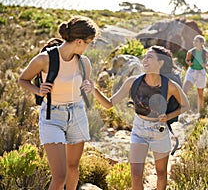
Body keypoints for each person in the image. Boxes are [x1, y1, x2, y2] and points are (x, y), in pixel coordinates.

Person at [18, 15, 99, 190]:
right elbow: (23, 80)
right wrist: (38, 90)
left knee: (72, 168)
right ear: (78, 41)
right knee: (60, 175)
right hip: (52, 116)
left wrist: (88, 85)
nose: (89, 46)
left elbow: (85, 83)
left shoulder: (84, 62)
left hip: (77, 113)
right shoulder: (44, 59)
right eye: (89, 42)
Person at [93, 45, 189, 190]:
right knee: (136, 175)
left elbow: (185, 105)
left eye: (149, 57)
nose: (144, 60)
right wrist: (93, 89)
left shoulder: (170, 85)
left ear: (161, 62)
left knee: (161, 173)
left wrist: (168, 116)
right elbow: (109, 104)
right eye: (144, 57)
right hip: (139, 130)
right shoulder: (133, 82)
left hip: (160, 131)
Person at [182, 35, 208, 118]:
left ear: (202, 43)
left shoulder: (206, 53)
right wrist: (188, 63)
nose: (194, 43)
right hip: (191, 72)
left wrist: (206, 64)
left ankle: (199, 113)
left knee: (200, 94)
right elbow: (187, 60)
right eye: (194, 41)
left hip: (201, 73)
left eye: (196, 41)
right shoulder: (190, 52)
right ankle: (183, 111)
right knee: (184, 91)